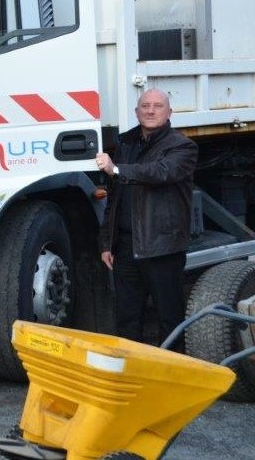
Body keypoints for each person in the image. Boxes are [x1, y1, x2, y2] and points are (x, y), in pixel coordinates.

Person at [96, 88, 198, 349]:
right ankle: (132, 378)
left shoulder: (182, 146)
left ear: (169, 113)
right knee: (127, 318)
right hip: (127, 247)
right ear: (136, 112)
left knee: (169, 319)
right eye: (145, 106)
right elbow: (114, 198)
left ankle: (173, 377)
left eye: (158, 106)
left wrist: (117, 169)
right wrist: (107, 243)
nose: (151, 111)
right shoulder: (125, 144)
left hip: (162, 245)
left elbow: (160, 172)